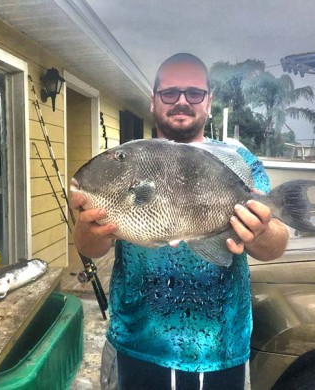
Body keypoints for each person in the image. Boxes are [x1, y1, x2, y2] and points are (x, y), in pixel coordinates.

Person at [70, 53, 289, 390]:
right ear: (154, 101)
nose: (182, 102)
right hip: (137, 342)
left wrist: (260, 230)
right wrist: (89, 227)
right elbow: (88, 246)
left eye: (194, 93)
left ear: (209, 101)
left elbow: (275, 245)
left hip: (220, 348)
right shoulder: (128, 158)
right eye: (170, 93)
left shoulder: (239, 161)